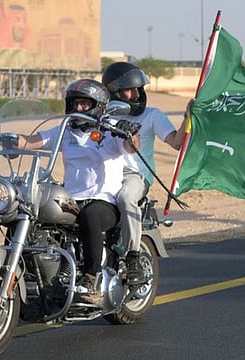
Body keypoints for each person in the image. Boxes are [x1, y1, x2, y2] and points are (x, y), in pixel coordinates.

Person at [11, 79, 140, 303]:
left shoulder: (111, 130)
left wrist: (129, 133)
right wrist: (2, 136)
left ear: (98, 105)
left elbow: (131, 147)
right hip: (71, 200)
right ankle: (42, 274)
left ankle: (92, 279)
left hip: (103, 201)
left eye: (84, 104)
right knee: (34, 212)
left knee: (91, 216)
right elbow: (32, 141)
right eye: (75, 103)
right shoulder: (64, 130)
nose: (78, 109)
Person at [102, 62, 187, 284]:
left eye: (139, 89)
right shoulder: (103, 115)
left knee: (126, 197)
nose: (136, 94)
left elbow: (176, 143)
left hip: (136, 175)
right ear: (114, 92)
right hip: (105, 172)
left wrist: (188, 117)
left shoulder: (152, 115)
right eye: (130, 90)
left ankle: (133, 257)